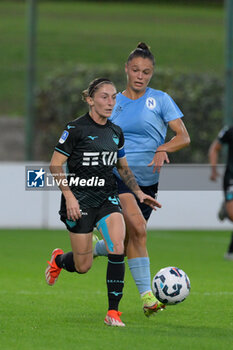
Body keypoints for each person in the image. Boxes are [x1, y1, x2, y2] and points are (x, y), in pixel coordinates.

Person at [45, 77, 162, 327]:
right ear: (90, 100)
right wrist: (69, 197)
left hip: (107, 199)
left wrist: (139, 193)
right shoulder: (75, 129)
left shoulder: (115, 132)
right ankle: (58, 261)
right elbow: (55, 165)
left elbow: (123, 167)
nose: (110, 102)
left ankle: (113, 313)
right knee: (83, 265)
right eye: (104, 97)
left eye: (113, 97)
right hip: (79, 202)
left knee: (117, 246)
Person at [94, 43, 190, 317]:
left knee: (124, 243)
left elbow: (183, 137)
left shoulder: (160, 100)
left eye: (146, 72)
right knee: (139, 229)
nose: (140, 75)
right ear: (126, 69)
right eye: (135, 70)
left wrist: (163, 148)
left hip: (148, 184)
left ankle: (66, 259)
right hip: (117, 176)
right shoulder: (114, 102)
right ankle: (148, 297)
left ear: (151, 74)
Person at [208, 125, 233, 260]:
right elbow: (214, 148)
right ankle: (226, 208)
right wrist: (213, 169)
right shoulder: (229, 130)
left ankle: (230, 252)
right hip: (231, 178)